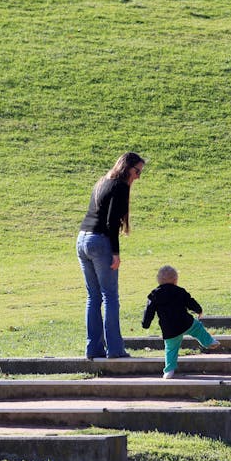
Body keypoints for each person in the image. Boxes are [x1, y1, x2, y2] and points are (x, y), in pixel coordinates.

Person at [77, 152, 145, 359]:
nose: (138, 176)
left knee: (93, 296)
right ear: (127, 168)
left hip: (82, 240)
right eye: (137, 171)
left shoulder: (102, 182)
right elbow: (111, 223)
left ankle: (93, 348)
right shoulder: (120, 186)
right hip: (100, 242)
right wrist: (115, 253)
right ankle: (115, 349)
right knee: (110, 297)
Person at [141, 265, 220, 378]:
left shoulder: (154, 295)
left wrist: (145, 324)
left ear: (158, 280)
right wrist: (199, 310)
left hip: (169, 329)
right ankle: (209, 342)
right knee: (198, 328)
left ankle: (169, 371)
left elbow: (149, 311)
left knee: (171, 350)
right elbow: (190, 302)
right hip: (185, 323)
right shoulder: (180, 291)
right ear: (175, 280)